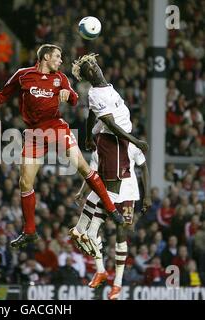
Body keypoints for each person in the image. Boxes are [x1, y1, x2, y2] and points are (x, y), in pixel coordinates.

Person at [0, 44, 125, 249]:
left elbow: (74, 100)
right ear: (46, 57)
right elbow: (1, 96)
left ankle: (112, 210)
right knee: (25, 183)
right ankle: (29, 231)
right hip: (34, 135)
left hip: (57, 128)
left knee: (83, 167)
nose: (60, 60)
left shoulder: (61, 78)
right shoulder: (23, 76)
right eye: (58, 56)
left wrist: (67, 93)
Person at [70, 53, 150, 298]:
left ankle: (115, 280)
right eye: (88, 68)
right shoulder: (96, 93)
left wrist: (146, 197)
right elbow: (109, 123)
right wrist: (133, 139)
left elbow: (94, 115)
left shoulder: (108, 90)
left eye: (93, 63)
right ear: (86, 77)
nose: (93, 68)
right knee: (105, 201)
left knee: (119, 230)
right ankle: (97, 254)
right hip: (115, 145)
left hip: (129, 186)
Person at [72, 143, 151, 300]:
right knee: (91, 232)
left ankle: (117, 282)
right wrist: (82, 191)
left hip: (128, 195)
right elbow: (91, 174)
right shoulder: (98, 151)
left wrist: (147, 195)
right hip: (107, 193)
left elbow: (144, 168)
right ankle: (100, 270)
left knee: (121, 235)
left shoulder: (131, 146)